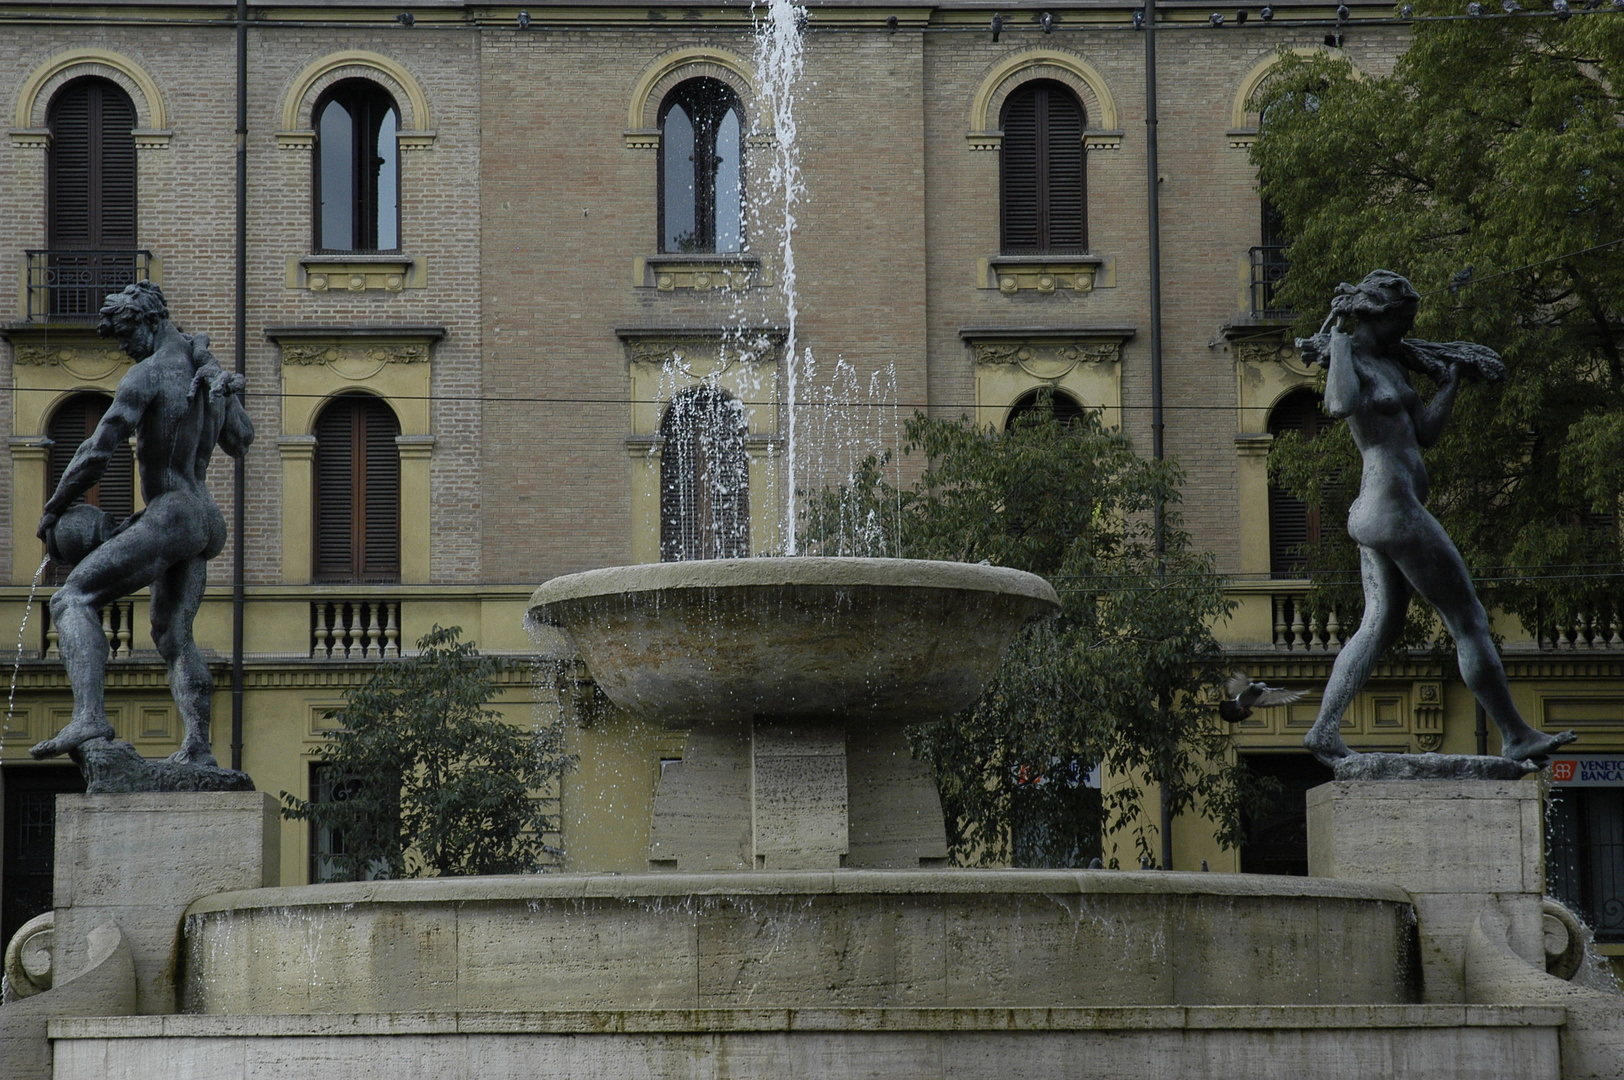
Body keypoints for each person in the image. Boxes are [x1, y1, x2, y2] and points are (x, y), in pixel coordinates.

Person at [1297, 270, 1575, 766]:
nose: (1407, 330)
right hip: (1392, 507)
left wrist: (1448, 384)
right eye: (1401, 320)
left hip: (1380, 508)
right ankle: (1514, 733)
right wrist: (1338, 345)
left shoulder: (1391, 364)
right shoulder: (1354, 358)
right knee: (1468, 619)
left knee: (1378, 623)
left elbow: (1424, 433)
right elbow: (1338, 405)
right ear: (1373, 317)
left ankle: (1323, 729)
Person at [32, 281, 254, 765]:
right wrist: (227, 395)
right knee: (174, 637)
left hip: (173, 510)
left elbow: (97, 453)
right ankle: (198, 746)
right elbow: (241, 440)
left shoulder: (148, 374)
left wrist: (54, 506)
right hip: (205, 517)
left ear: (149, 322)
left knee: (71, 597)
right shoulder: (201, 369)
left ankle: (89, 714)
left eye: (126, 335)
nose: (124, 347)